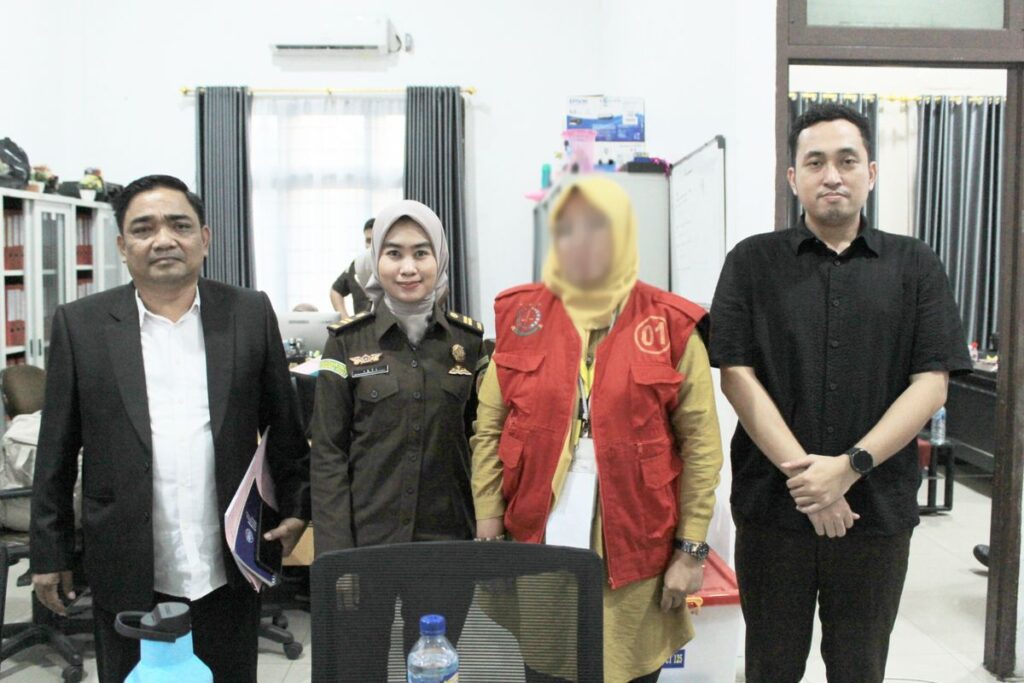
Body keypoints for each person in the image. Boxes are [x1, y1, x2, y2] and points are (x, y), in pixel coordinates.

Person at [709, 104, 972, 683]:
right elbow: (736, 375)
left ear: (870, 173)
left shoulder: (916, 265)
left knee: (860, 667)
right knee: (770, 666)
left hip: (875, 514)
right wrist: (814, 485)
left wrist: (849, 467)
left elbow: (932, 383)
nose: (832, 175)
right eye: (815, 162)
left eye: (847, 161)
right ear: (793, 177)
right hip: (774, 511)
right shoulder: (751, 262)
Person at [30, 174, 310, 683]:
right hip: (128, 564)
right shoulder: (81, 325)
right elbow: (56, 451)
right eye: (144, 229)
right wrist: (49, 552)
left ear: (205, 238)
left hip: (228, 561)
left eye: (179, 226)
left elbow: (284, 428)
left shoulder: (248, 313)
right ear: (122, 246)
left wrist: (295, 509)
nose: (163, 239)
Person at [472, 175, 724, 683]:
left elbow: (701, 447)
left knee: (628, 668)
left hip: (637, 544)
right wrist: (489, 521)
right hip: (538, 537)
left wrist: (690, 550)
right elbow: (490, 428)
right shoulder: (522, 317)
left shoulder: (671, 326)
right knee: (547, 667)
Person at [311, 200, 485, 677]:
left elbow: (484, 443)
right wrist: (335, 555)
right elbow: (327, 452)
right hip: (364, 541)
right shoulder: (346, 342)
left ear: (439, 258)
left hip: (445, 542)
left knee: (433, 669)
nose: (408, 268)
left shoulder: (469, 343)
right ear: (375, 260)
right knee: (358, 668)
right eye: (393, 253)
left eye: (421, 253)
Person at [330, 218, 374, 316]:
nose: (371, 245)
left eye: (375, 241)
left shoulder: (394, 266)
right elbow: (335, 291)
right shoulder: (356, 266)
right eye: (368, 241)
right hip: (363, 324)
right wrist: (345, 319)